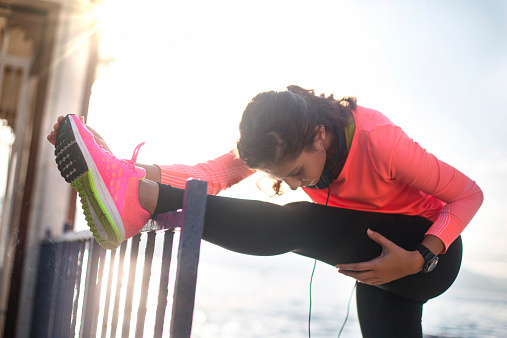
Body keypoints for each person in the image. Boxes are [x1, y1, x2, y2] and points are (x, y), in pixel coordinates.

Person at [47, 85, 483, 337]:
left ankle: (144, 202)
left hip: (428, 254)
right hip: (377, 263)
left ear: (318, 138)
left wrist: (420, 257)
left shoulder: (380, 142)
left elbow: (469, 194)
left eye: (296, 172)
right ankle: (129, 183)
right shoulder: (279, 138)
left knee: (300, 220)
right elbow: (209, 175)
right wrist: (130, 168)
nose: (294, 183)